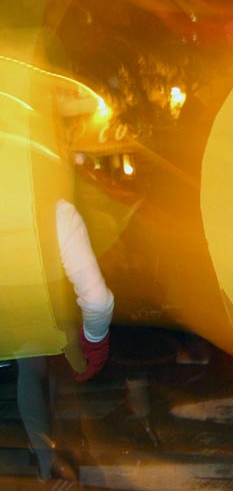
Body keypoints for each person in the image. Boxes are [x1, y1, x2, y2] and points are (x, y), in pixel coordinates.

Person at [18, 199, 114, 482]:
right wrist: (96, 344)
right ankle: (55, 450)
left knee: (31, 365)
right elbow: (97, 300)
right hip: (47, 304)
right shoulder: (54, 209)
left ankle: (45, 457)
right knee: (54, 365)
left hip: (12, 313)